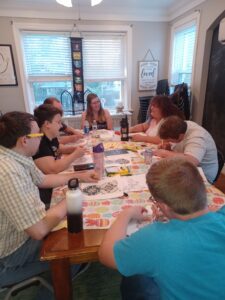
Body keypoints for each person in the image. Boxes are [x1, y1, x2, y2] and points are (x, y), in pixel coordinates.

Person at [0, 112, 98, 299]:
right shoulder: (8, 173)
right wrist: (71, 199)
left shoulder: (18, 154)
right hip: (12, 255)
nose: (42, 138)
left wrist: (79, 178)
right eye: (38, 135)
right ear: (24, 140)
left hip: (25, 229)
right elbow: (38, 230)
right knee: (74, 246)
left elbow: (43, 179)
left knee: (73, 225)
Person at [99, 157, 225, 300]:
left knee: (138, 274)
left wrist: (125, 214)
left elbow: (106, 255)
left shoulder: (156, 238)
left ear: (163, 206)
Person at [33, 104, 86, 208]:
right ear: (47, 124)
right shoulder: (40, 142)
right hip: (45, 194)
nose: (61, 126)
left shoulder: (51, 136)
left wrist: (74, 149)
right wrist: (75, 155)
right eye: (58, 122)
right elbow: (53, 169)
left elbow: (58, 149)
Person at [154, 115, 218, 183]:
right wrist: (169, 148)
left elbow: (191, 161)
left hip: (203, 176)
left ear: (180, 136)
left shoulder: (197, 137)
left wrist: (165, 153)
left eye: (170, 140)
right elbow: (181, 151)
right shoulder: (181, 127)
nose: (169, 142)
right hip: (186, 170)